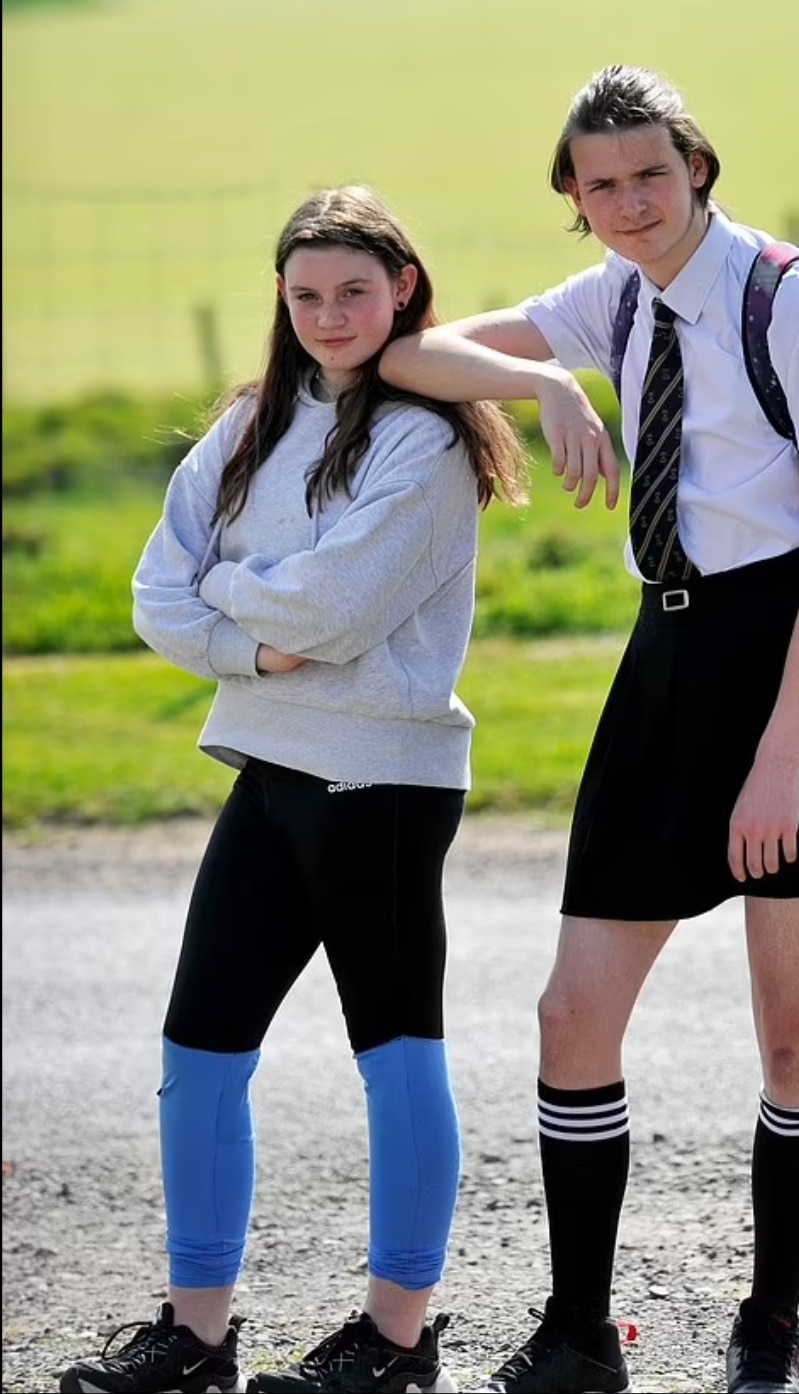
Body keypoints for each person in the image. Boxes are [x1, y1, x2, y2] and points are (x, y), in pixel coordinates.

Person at [378, 64, 799, 1394]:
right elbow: (405, 351)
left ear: (699, 170)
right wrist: (549, 387)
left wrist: (783, 756)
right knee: (573, 1011)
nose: (628, 204)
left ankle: (770, 1320)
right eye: (599, 184)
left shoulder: (793, 301)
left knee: (792, 1034)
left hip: (795, 660)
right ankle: (579, 1331)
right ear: (574, 195)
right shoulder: (612, 300)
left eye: (650, 177)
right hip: (666, 658)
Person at [58, 184, 528, 1394]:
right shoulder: (252, 424)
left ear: (405, 290)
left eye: (355, 292)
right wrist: (247, 640)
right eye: (308, 293)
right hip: (266, 760)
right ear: (283, 297)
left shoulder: (424, 438)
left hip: (380, 772)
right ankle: (197, 1335)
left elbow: (338, 605)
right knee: (198, 1048)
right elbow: (160, 586)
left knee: (396, 1048)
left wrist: (236, 595)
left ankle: (396, 1338)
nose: (330, 314)